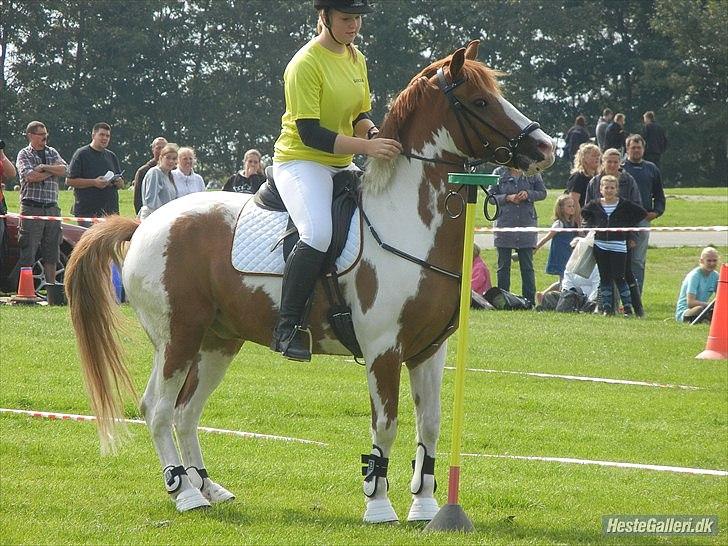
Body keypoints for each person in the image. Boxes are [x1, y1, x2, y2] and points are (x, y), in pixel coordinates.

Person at [270, 0, 402, 362]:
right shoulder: (305, 63)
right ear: (325, 17)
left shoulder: (356, 57)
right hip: (301, 162)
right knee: (317, 235)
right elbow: (311, 133)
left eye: (357, 18)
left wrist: (374, 132)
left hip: (342, 164)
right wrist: (369, 147)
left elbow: (360, 113)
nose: (354, 25)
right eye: (346, 18)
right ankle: (287, 327)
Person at [581, 175, 646, 316]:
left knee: (619, 277)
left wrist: (626, 225)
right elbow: (584, 213)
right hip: (600, 245)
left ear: (617, 189)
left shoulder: (624, 204)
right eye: (606, 187)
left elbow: (641, 213)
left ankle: (627, 308)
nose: (609, 190)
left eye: (612, 188)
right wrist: (594, 226)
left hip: (619, 245)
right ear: (601, 189)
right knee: (604, 277)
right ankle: (607, 308)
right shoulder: (595, 204)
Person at [14, 121, 67, 288]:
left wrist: (44, 167)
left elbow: (65, 170)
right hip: (31, 207)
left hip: (51, 207)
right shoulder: (24, 154)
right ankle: (26, 290)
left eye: (46, 134)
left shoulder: (52, 153)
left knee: (52, 250)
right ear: (30, 135)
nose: (45, 137)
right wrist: (52, 172)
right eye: (40, 134)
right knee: (28, 249)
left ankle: (51, 288)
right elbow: (30, 176)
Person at [491, 166, 547, 305]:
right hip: (505, 224)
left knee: (527, 266)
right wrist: (507, 198)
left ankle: (529, 301)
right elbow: (491, 197)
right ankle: (503, 300)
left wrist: (528, 194)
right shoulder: (499, 172)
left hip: (526, 224)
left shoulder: (533, 172)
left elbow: (542, 193)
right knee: (503, 266)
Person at [622, 134, 665, 292]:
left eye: (639, 147)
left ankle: (636, 295)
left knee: (638, 260)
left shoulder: (652, 169)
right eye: (633, 147)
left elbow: (659, 195)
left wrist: (656, 212)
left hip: (643, 219)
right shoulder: (621, 168)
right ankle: (621, 295)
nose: (636, 150)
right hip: (622, 219)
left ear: (644, 149)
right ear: (627, 149)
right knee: (621, 258)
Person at [66, 122, 125, 223]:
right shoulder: (81, 154)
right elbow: (69, 181)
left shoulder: (111, 156)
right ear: (93, 135)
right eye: (102, 135)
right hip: (88, 213)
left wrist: (119, 182)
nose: (105, 138)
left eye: (108, 136)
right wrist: (94, 182)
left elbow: (121, 183)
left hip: (110, 213)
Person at [534, 194, 579, 294]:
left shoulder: (572, 223)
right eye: (569, 206)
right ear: (561, 208)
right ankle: (562, 299)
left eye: (573, 206)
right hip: (561, 255)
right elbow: (547, 237)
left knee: (564, 280)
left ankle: (543, 294)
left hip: (569, 254)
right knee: (564, 279)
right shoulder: (559, 223)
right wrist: (536, 247)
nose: (572, 208)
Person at [675, 247, 720, 323]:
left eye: (714, 261)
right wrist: (710, 306)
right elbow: (690, 303)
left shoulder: (716, 276)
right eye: (709, 261)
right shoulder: (695, 276)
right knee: (699, 309)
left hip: (704, 308)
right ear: (702, 261)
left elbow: (720, 298)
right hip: (686, 311)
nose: (712, 263)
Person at [139, 143, 179, 220]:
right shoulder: (155, 172)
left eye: (174, 159)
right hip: (152, 218)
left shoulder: (170, 176)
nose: (171, 161)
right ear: (161, 158)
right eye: (168, 158)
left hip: (166, 219)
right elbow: (151, 201)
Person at [133, 136, 167, 214]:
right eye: (158, 148)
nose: (161, 150)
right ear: (153, 150)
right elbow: (138, 200)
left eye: (164, 147)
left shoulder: (173, 171)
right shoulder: (143, 171)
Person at [566, 142, 601, 208]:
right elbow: (574, 201)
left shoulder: (597, 177)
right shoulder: (578, 176)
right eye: (594, 155)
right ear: (584, 158)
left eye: (598, 156)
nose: (597, 158)